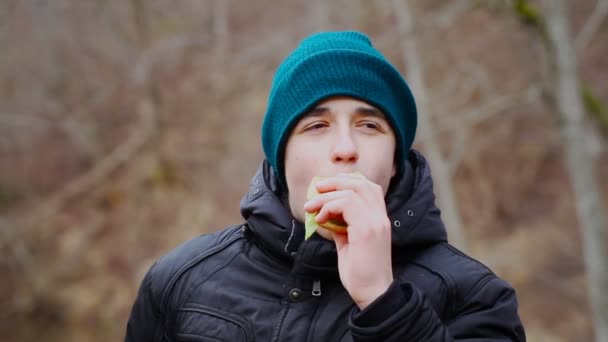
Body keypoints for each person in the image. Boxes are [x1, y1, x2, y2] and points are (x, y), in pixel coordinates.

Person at [125, 31, 526, 341]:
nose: (345, 149)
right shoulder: (181, 280)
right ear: (282, 156)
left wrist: (384, 301)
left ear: (394, 160)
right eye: (316, 126)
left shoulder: (476, 297)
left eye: (369, 125)